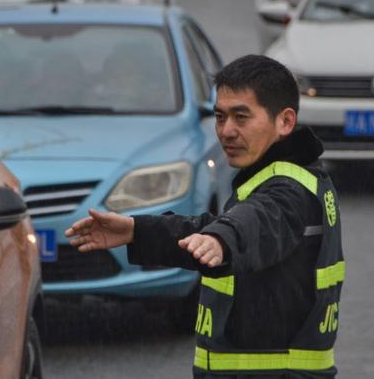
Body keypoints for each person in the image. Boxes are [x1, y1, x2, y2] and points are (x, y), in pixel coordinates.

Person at [65, 54, 344, 378]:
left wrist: (222, 239)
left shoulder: (285, 190)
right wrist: (136, 231)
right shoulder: (291, 178)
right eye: (220, 116)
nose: (226, 131)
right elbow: (219, 227)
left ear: (285, 121)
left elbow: (256, 222)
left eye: (242, 117)